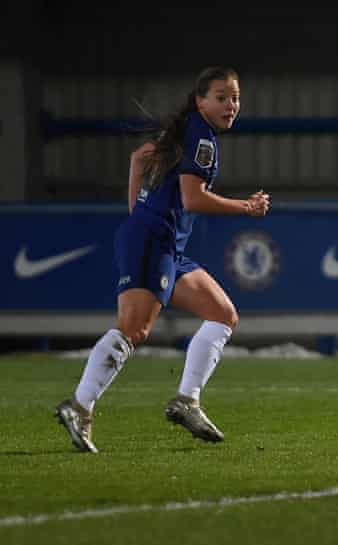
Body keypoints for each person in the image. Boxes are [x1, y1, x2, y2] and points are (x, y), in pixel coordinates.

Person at [54, 67, 271, 453]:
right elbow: (192, 198)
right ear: (201, 100)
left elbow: (139, 159)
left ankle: (187, 401)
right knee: (134, 330)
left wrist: (136, 214)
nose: (231, 105)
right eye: (222, 97)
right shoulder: (201, 136)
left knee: (223, 314)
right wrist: (246, 207)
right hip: (155, 241)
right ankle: (79, 407)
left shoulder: (185, 129)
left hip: (163, 243)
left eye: (235, 97)